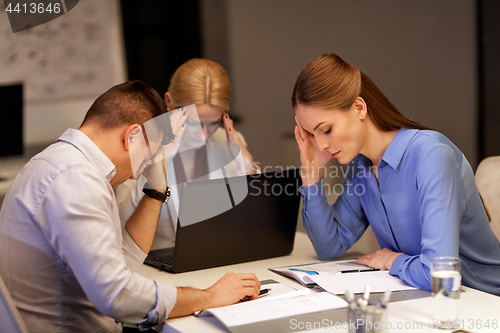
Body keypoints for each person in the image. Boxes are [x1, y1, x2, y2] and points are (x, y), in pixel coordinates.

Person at [0, 80, 260, 333]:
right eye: (147, 158)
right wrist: (210, 296)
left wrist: (156, 192)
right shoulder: (76, 179)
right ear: (132, 136)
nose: (139, 174)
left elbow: (121, 264)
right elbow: (118, 294)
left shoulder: (62, 165)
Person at [292, 53, 500, 295]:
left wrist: (392, 261)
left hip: (483, 302)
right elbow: (328, 246)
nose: (321, 145)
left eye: (326, 129)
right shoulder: (360, 166)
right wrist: (311, 172)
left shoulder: (432, 155)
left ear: (359, 107)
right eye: (312, 134)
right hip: (421, 297)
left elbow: (438, 273)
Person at [116, 59, 257, 249]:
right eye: (193, 123)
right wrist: (160, 162)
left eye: (213, 123)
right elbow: (117, 223)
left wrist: (247, 167)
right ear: (169, 103)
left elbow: (252, 223)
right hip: (153, 267)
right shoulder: (139, 145)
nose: (203, 135)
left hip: (220, 258)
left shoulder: (229, 141)